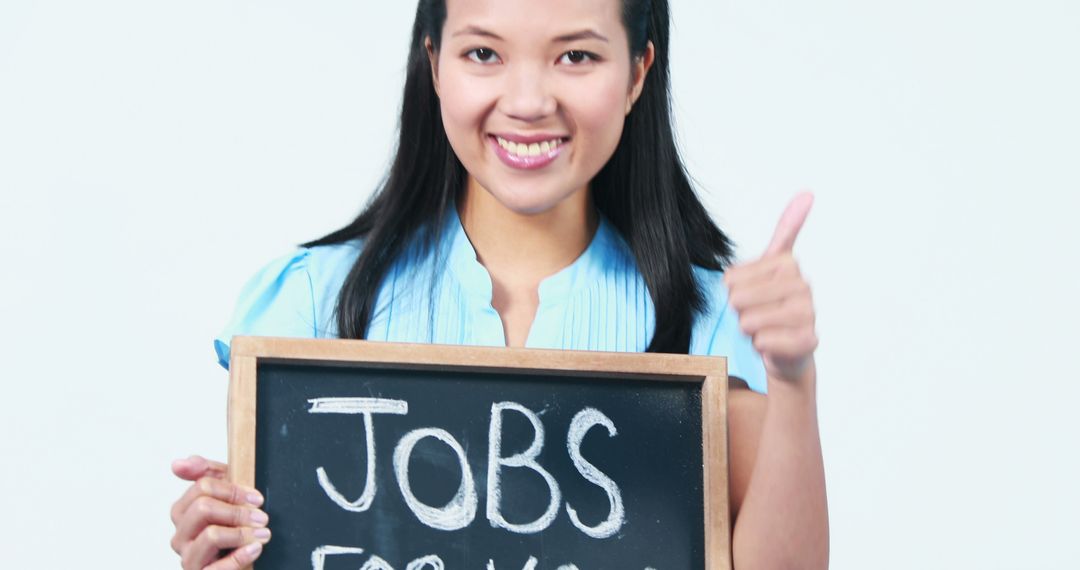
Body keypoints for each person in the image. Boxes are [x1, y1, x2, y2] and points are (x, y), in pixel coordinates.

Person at [169, 0, 829, 568]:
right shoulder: (318, 299)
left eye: (575, 57)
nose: (527, 102)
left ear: (637, 74)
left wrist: (795, 378)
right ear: (434, 64)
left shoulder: (706, 319)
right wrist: (226, 549)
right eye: (483, 53)